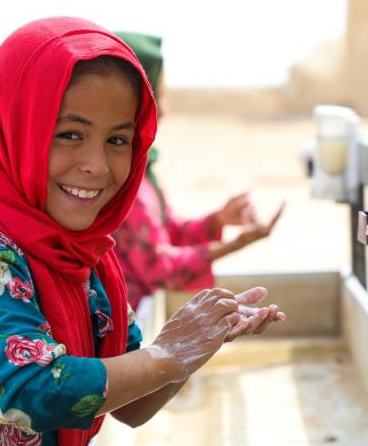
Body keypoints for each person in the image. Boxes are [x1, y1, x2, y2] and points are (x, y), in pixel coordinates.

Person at [0, 17, 285, 446]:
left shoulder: (87, 258)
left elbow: (130, 405)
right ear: (16, 128)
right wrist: (168, 354)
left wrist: (198, 341)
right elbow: (30, 390)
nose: (98, 165)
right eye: (70, 134)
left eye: (118, 140)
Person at [113, 31, 284, 310]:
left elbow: (168, 231)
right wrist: (235, 244)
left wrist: (217, 221)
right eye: (159, 96)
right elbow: (160, 269)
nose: (164, 111)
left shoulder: (142, 170)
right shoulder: (121, 179)